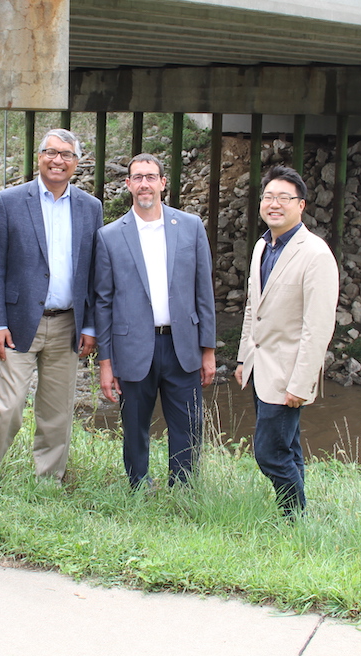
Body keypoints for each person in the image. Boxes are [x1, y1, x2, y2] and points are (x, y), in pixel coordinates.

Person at [0, 129, 103, 482]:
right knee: (7, 406)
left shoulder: (91, 208)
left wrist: (90, 326)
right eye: (51, 152)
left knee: (57, 411)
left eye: (66, 155)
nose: (58, 160)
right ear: (39, 157)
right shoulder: (9, 201)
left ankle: (49, 480)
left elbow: (94, 272)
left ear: (77, 162)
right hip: (17, 323)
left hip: (68, 325)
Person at [94, 154, 216, 489]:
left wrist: (208, 350)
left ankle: (184, 489)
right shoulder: (109, 236)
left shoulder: (190, 227)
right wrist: (106, 362)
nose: (144, 184)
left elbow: (203, 291)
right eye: (138, 177)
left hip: (182, 345)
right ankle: (139, 486)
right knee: (134, 424)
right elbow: (103, 303)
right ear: (128, 184)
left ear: (164, 182)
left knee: (187, 425)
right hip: (133, 346)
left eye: (151, 177)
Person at [234, 164, 339, 516]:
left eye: (284, 198)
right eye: (268, 197)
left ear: (301, 205)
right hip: (261, 367)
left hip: (288, 374)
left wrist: (302, 382)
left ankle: (293, 516)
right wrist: (243, 357)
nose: (274, 204)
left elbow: (318, 327)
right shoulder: (263, 247)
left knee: (269, 452)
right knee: (288, 448)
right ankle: (297, 518)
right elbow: (254, 307)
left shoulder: (315, 253)